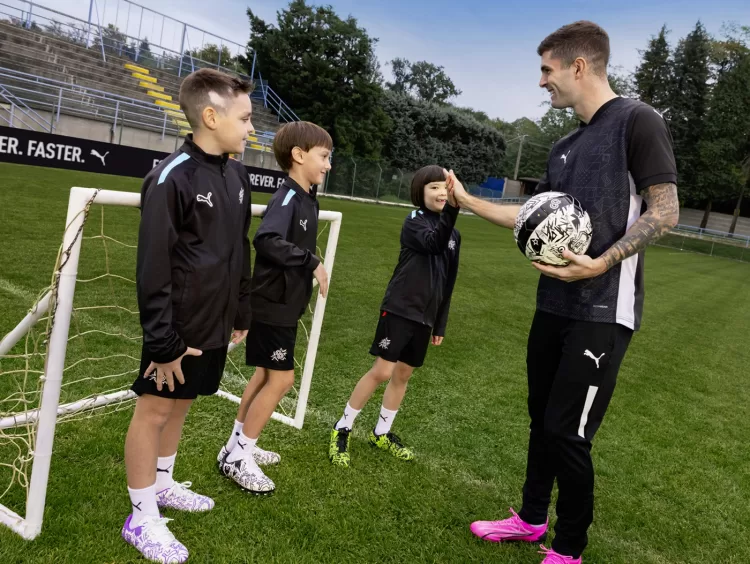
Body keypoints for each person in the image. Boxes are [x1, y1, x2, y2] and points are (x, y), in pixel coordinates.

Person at [456, 21, 679, 564]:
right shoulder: (563, 146)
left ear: (579, 66)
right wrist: (468, 201)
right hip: (552, 303)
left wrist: (601, 263)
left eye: (546, 70)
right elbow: (530, 214)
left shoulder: (638, 120)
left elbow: (665, 211)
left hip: (603, 309)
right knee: (542, 420)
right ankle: (531, 519)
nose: (541, 82)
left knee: (568, 431)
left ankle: (569, 548)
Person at [122, 68, 255, 563]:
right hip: (175, 326)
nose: (251, 129)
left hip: (214, 319)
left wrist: (241, 307)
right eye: (244, 118)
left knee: (182, 403)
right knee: (154, 410)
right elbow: (152, 266)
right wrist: (162, 342)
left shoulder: (237, 175)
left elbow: (238, 247)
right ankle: (140, 516)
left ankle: (162, 483)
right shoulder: (171, 176)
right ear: (211, 116)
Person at [218, 121, 332, 494]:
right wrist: (312, 262)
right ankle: (239, 458)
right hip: (272, 304)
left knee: (266, 376)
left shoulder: (306, 197)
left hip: (283, 303)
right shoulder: (287, 199)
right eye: (323, 156)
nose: (328, 164)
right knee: (282, 380)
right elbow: (266, 239)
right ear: (299, 155)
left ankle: (235, 446)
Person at [328, 165, 462, 467]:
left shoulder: (455, 235)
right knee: (382, 371)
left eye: (445, 187)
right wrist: (453, 209)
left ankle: (381, 433)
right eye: (434, 187)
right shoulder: (414, 221)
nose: (441, 193)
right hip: (400, 308)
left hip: (426, 317)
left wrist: (440, 323)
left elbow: (449, 282)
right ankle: (342, 428)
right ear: (420, 192)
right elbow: (433, 243)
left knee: (403, 375)